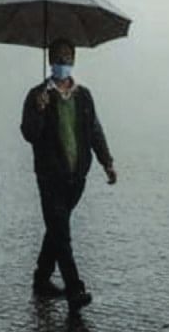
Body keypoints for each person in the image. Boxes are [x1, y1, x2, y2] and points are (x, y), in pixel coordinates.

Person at [20, 38, 117, 311]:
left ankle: (41, 277)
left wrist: (107, 162)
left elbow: (95, 132)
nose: (64, 63)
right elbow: (29, 133)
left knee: (56, 229)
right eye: (59, 58)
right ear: (51, 61)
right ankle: (75, 289)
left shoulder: (83, 96)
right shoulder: (37, 95)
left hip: (77, 179)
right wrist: (38, 111)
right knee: (62, 233)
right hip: (50, 177)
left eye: (69, 58)